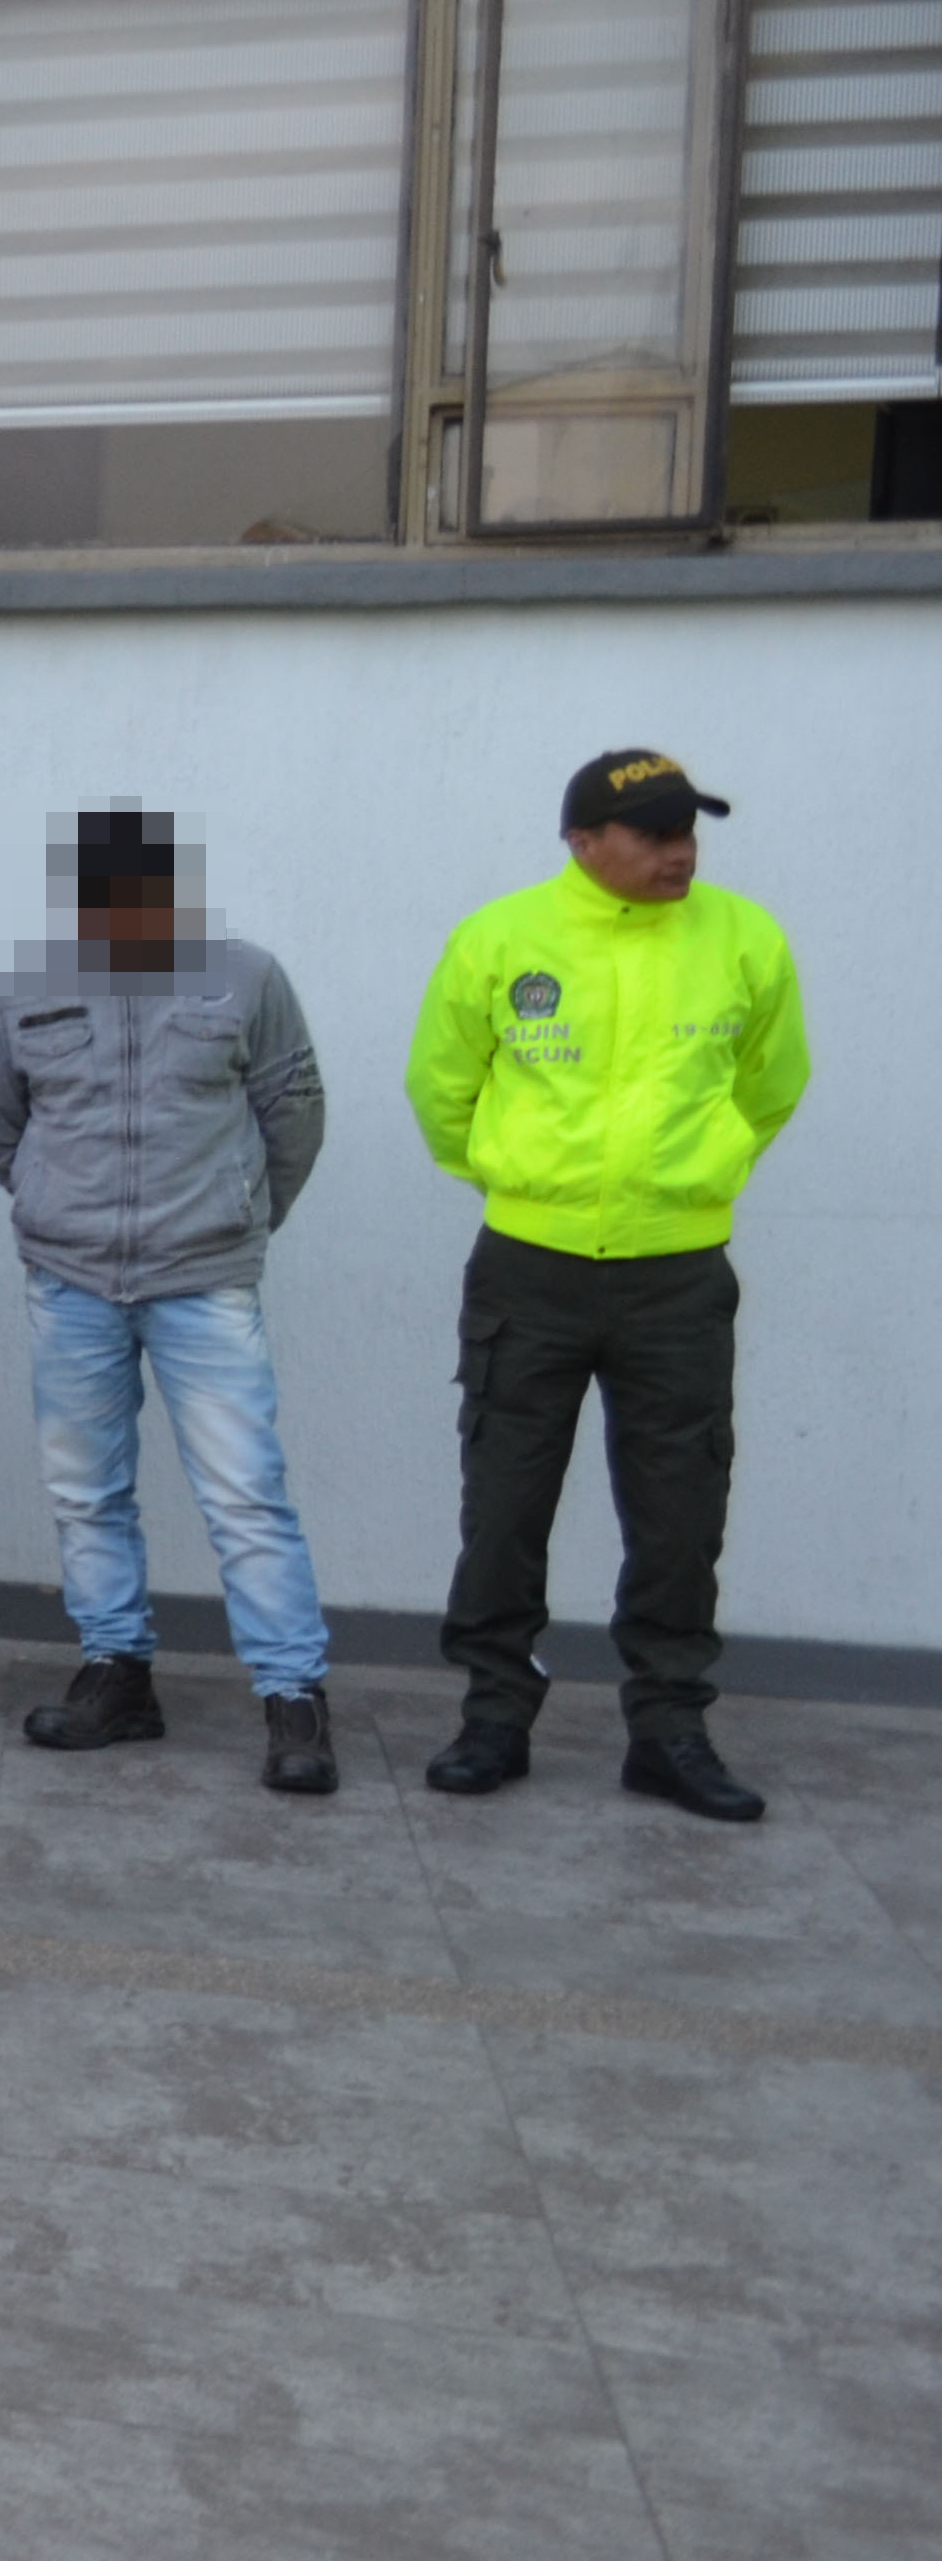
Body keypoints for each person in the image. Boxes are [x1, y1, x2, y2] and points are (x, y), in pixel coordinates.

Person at [405, 750, 810, 1824]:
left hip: (675, 1276)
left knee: (679, 1508)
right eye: (653, 831)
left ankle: (667, 1731)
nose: (680, 849)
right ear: (582, 842)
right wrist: (518, 1180)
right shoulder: (500, 939)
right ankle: (492, 1715)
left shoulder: (743, 939)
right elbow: (439, 1089)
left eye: (689, 829)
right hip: (526, 1269)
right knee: (503, 1502)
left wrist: (697, 1175)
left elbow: (772, 1085)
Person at [0, 809, 339, 1791]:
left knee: (245, 1495)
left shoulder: (244, 976)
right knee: (85, 1492)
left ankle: (293, 1697)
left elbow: (291, 1111)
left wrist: (237, 1217)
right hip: (71, 1281)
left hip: (202, 1283)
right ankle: (115, 1673)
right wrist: (61, 1210)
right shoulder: (19, 984)